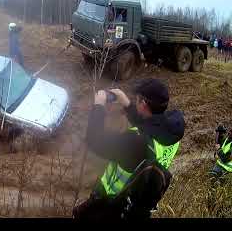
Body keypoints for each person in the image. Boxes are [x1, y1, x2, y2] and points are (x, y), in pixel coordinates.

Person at [73, 79, 185, 220]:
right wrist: (127, 104)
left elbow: (95, 140)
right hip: (137, 199)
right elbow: (150, 125)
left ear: (143, 103)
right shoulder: (171, 132)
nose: (135, 100)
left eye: (137, 99)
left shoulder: (135, 140)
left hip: (112, 202)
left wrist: (99, 105)